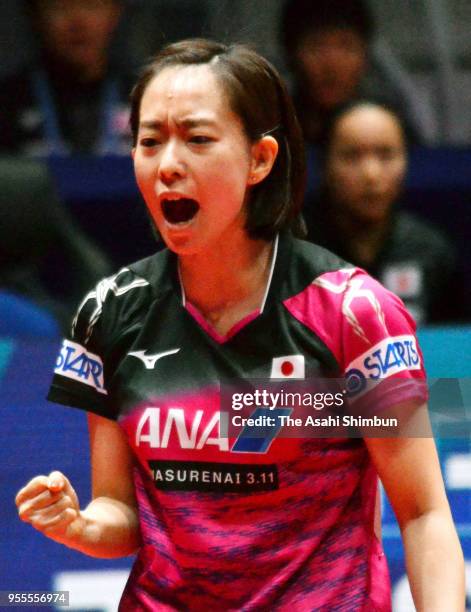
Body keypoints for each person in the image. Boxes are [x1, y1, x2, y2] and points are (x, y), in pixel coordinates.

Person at [15, 39, 464, 610]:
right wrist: (79, 525)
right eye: (149, 141)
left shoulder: (353, 314)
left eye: (197, 139)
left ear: (260, 159)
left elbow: (423, 512)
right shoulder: (110, 311)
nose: (168, 164)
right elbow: (122, 512)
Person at [304, 99, 470, 325]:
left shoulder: (432, 251)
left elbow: (455, 344)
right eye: (352, 156)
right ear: (324, 165)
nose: (371, 174)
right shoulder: (295, 251)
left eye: (386, 155)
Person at [280, 0, 421, 146]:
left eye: (346, 46)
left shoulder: (390, 128)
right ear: (291, 55)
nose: (332, 65)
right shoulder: (271, 128)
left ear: (366, 55)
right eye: (316, 46)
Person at [0, 0, 132, 156]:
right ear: (35, 16)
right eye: (59, 8)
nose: (78, 22)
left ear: (116, 13)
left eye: (91, 5)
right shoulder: (7, 102)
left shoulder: (148, 99)